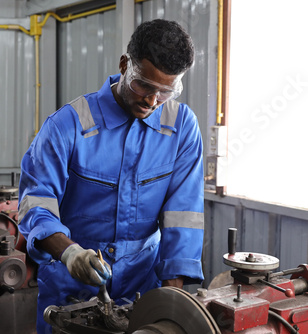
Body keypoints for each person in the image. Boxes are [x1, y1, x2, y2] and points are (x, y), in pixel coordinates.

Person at [18, 19, 204, 333]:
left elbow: (183, 218)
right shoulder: (68, 126)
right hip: (71, 285)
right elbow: (36, 205)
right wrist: (70, 253)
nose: (151, 100)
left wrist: (173, 305)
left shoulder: (181, 127)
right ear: (124, 65)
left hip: (144, 286)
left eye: (166, 91)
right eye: (143, 84)